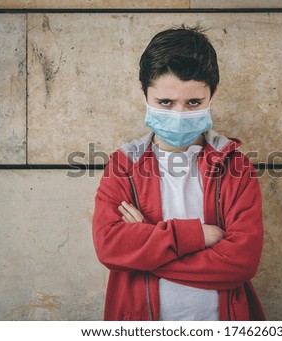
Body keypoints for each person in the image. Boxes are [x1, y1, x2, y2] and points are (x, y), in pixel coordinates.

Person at [92, 25, 265, 321]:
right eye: (165, 103)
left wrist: (144, 248)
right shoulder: (123, 166)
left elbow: (241, 263)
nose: (179, 114)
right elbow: (110, 247)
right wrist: (195, 235)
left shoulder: (237, 168)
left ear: (213, 94)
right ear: (144, 93)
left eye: (193, 102)